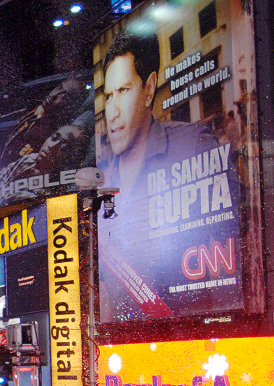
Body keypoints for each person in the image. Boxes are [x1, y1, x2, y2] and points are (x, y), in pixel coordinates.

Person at [96, 29, 226, 322]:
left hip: (193, 337)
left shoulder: (192, 146)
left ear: (150, 88)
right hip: (123, 342)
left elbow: (237, 244)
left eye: (123, 91)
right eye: (107, 96)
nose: (112, 112)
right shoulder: (102, 180)